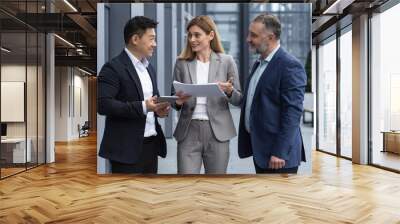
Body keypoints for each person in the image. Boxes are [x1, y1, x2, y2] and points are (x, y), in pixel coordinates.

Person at [98, 16, 170, 174]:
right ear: (135, 39)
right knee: (127, 198)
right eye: (151, 39)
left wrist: (159, 110)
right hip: (125, 150)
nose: (154, 44)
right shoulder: (112, 68)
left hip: (151, 146)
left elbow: (153, 102)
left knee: (149, 197)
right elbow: (104, 105)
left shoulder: (149, 68)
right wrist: (144, 106)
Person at [172, 15, 242, 174]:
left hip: (218, 132)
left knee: (216, 186)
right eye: (189, 35)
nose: (192, 39)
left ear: (211, 35)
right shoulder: (181, 63)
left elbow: (239, 100)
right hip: (188, 131)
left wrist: (229, 91)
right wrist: (178, 101)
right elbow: (173, 101)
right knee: (186, 184)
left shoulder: (226, 61)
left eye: (197, 35)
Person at [238, 14, 307, 174]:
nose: (248, 39)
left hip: (279, 157)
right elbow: (254, 101)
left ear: (270, 37)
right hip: (261, 149)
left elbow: (293, 113)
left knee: (279, 198)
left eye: (253, 35)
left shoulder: (289, 65)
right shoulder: (259, 64)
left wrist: (280, 152)